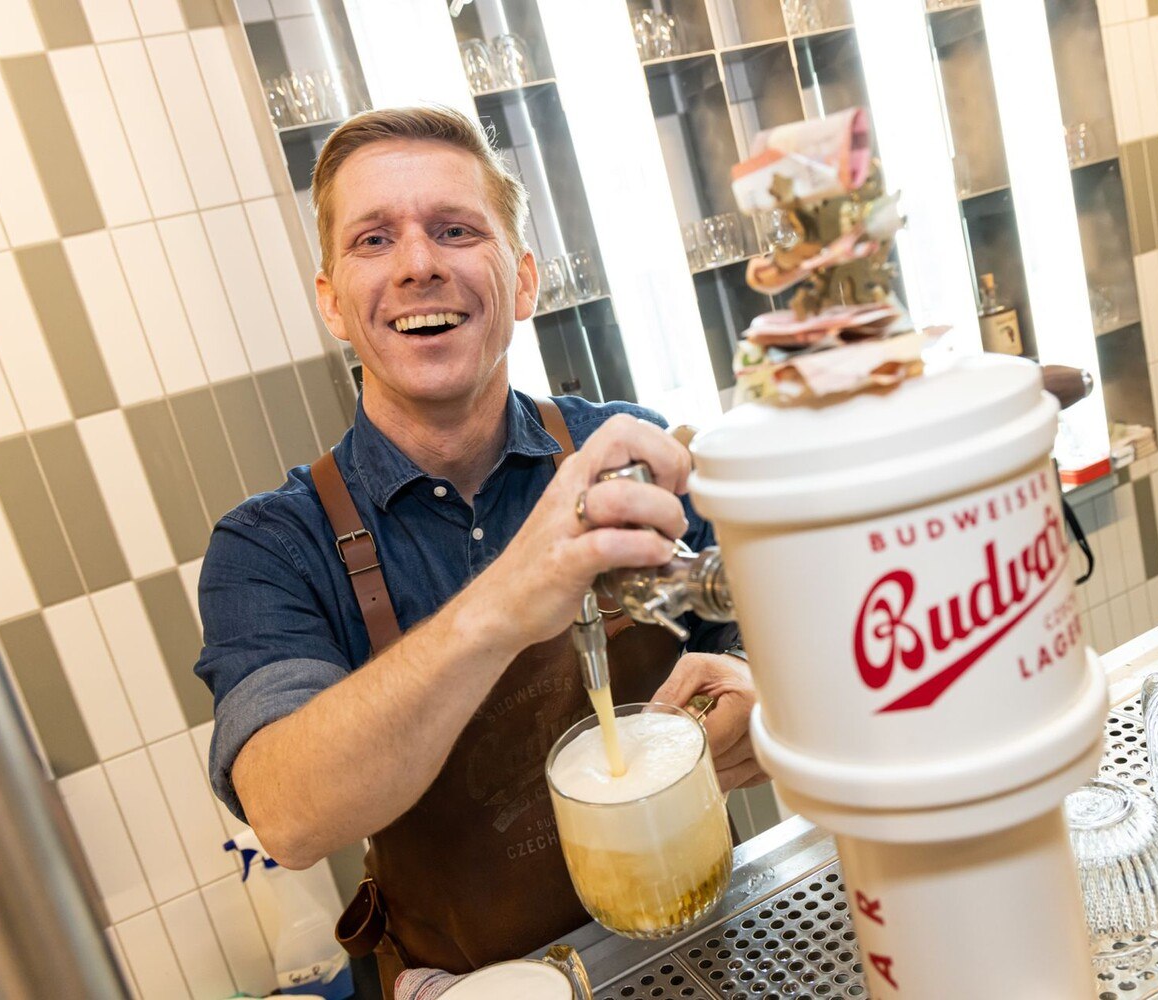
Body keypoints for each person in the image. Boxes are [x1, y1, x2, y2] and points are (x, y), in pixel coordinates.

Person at [193, 105, 762, 993]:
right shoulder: (273, 546)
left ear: (524, 280)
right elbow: (289, 814)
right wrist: (506, 599)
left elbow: (768, 634)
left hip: (701, 954)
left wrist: (759, 702)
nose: (419, 264)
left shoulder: (621, 453)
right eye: (374, 239)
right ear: (332, 301)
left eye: (456, 230)